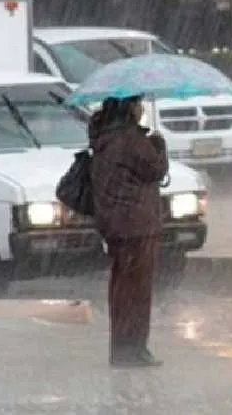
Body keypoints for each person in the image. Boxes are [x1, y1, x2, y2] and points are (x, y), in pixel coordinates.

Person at [89, 95, 169, 368]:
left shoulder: (104, 138)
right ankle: (133, 348)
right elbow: (156, 169)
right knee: (137, 289)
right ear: (128, 108)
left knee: (122, 287)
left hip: (115, 223)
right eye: (138, 103)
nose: (142, 108)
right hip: (136, 225)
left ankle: (122, 346)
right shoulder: (130, 140)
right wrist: (159, 144)